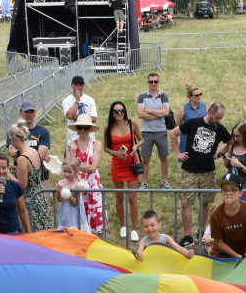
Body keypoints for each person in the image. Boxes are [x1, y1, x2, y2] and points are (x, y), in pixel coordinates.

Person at [169, 103, 231, 249]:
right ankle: (188, 236)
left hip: (208, 172)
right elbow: (173, 133)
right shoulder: (193, 123)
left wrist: (221, 153)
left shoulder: (220, 129)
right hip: (189, 171)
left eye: (221, 118)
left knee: (205, 203)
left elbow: (231, 142)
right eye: (217, 118)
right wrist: (178, 153)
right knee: (186, 204)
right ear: (209, 112)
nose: (219, 121)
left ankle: (201, 232)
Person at [104, 103, 143, 242]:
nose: (119, 113)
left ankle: (134, 229)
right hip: (117, 165)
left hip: (131, 164)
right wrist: (114, 152)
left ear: (125, 111)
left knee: (132, 197)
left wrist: (135, 146)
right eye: (116, 111)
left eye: (121, 110)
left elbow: (141, 139)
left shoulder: (132, 124)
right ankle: (122, 226)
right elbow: (106, 147)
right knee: (119, 196)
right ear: (112, 112)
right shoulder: (109, 127)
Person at [6, 121, 51, 232]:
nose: (10, 143)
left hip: (29, 201)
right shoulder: (34, 151)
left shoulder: (22, 158)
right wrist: (18, 170)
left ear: (15, 139)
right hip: (39, 198)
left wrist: (7, 174)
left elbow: (22, 185)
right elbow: (32, 172)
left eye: (10, 140)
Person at [66, 116, 105, 234]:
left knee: (94, 214)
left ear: (90, 129)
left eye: (86, 128)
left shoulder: (96, 144)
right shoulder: (71, 145)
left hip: (92, 183)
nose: (83, 131)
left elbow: (93, 167)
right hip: (76, 184)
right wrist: (72, 152)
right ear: (76, 129)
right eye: (80, 127)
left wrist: (75, 167)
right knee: (77, 212)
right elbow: (67, 167)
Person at [209, 173, 246, 259]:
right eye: (225, 190)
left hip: (245, 253)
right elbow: (218, 241)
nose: (228, 193)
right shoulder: (215, 214)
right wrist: (236, 256)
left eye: (233, 190)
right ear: (221, 192)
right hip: (221, 256)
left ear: (241, 193)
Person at [137, 73, 171, 189]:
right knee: (145, 158)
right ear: (147, 82)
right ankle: (144, 183)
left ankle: (165, 181)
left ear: (158, 82)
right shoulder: (142, 97)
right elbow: (141, 114)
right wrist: (159, 113)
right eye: (151, 81)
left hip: (161, 131)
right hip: (146, 132)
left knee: (164, 157)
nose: (153, 84)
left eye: (155, 81)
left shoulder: (164, 96)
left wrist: (148, 110)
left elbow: (166, 113)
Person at [221, 122, 246, 196]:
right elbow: (230, 167)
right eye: (233, 135)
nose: (235, 138)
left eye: (238, 136)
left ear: (245, 136)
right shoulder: (232, 146)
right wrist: (226, 163)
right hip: (230, 183)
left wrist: (240, 165)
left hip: (243, 186)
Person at [56, 159, 90, 232]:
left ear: (76, 172)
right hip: (65, 214)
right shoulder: (61, 183)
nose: (66, 174)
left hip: (74, 215)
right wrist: (59, 191)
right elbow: (59, 200)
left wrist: (68, 195)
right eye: (64, 171)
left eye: (69, 172)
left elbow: (75, 203)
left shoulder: (77, 185)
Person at [63, 76, 98, 144]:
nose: (78, 87)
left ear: (83, 85)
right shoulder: (66, 100)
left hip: (89, 137)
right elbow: (70, 116)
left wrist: (79, 117)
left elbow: (94, 118)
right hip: (73, 138)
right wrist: (77, 100)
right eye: (76, 84)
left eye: (80, 85)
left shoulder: (90, 100)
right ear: (72, 85)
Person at [175, 83, 206, 156]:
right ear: (190, 97)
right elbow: (177, 126)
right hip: (187, 140)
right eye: (196, 95)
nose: (199, 97)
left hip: (201, 140)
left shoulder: (205, 107)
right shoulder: (184, 108)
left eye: (200, 94)